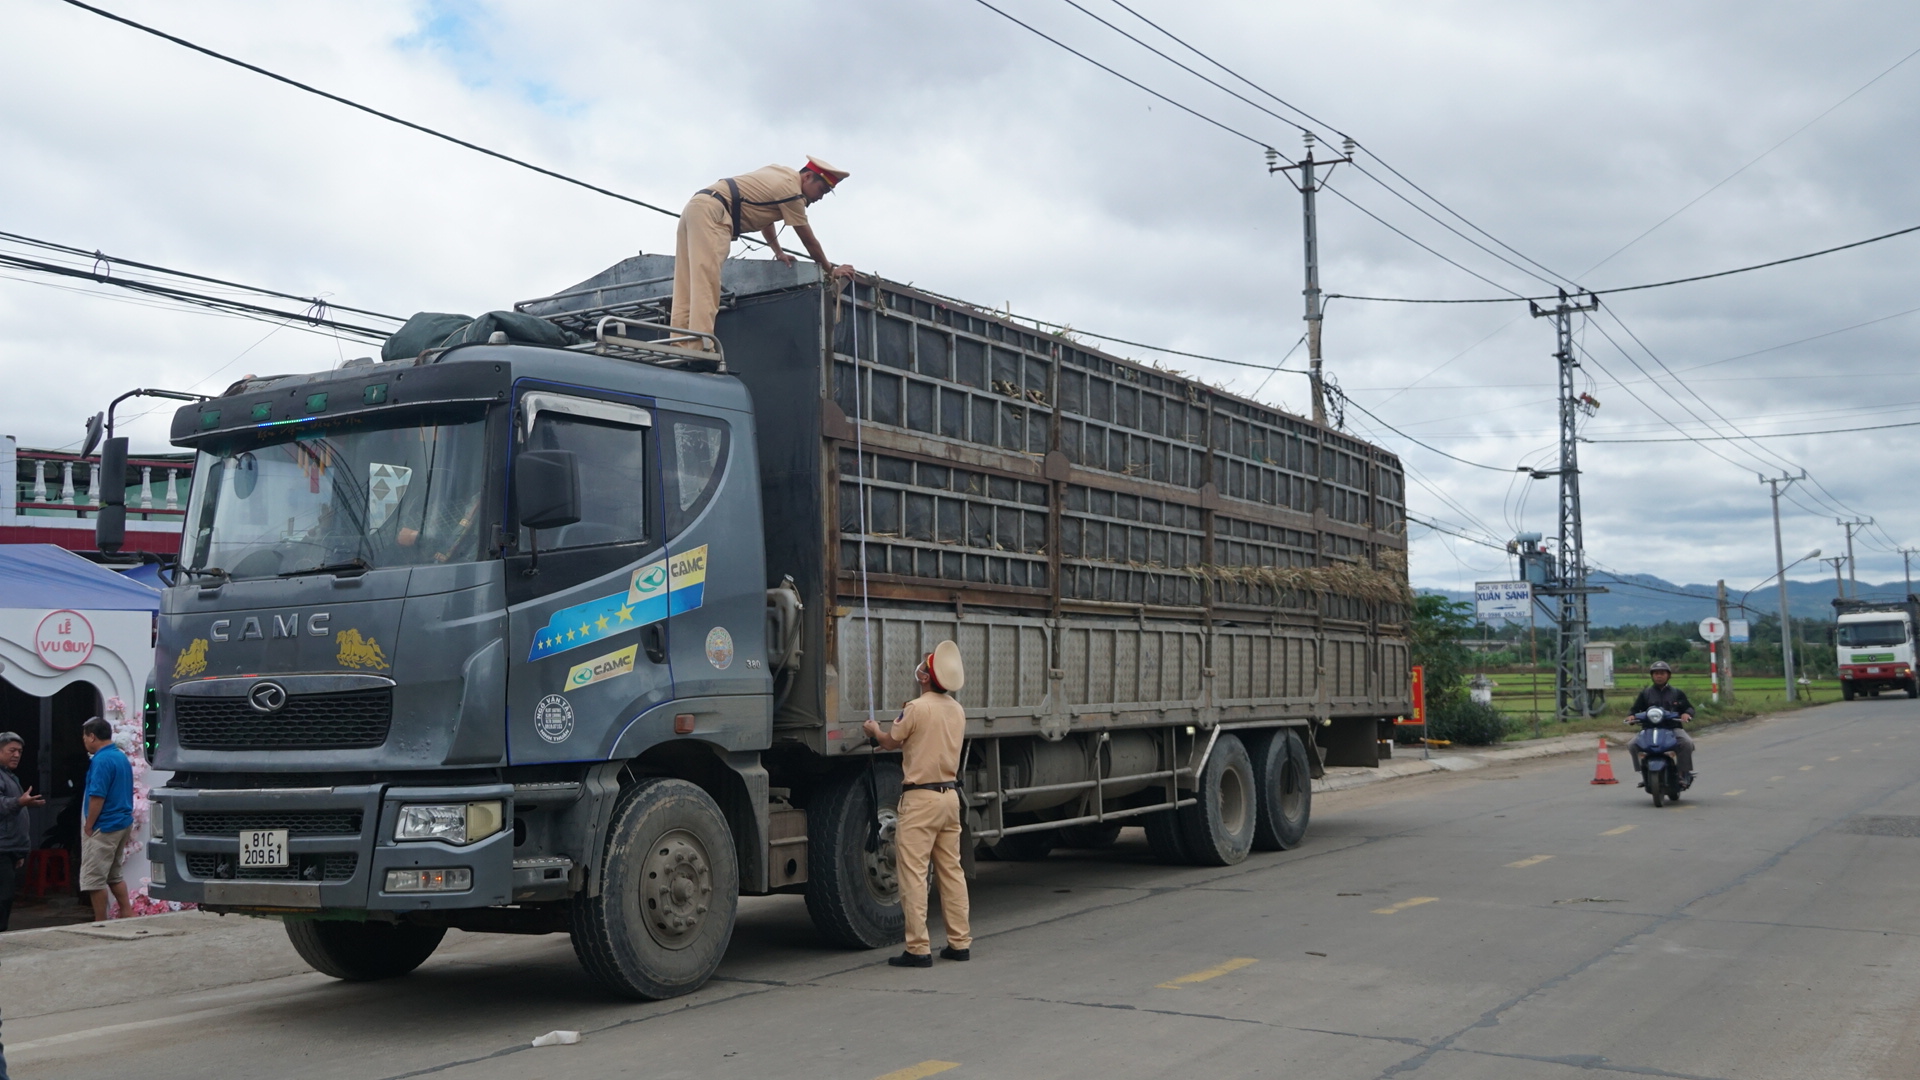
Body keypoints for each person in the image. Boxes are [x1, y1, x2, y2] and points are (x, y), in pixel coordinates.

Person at [863, 640, 972, 967]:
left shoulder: (916, 708)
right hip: (950, 798)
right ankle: (959, 942)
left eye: (924, 666)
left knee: (912, 873)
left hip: (920, 799)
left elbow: (889, 741)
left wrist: (873, 729)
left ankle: (918, 948)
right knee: (951, 872)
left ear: (925, 677)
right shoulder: (957, 710)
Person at [670, 157, 856, 346]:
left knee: (686, 281)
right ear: (808, 177)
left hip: (697, 206)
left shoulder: (780, 173)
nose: (820, 197)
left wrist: (778, 251)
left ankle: (678, 344)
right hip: (715, 214)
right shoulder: (793, 193)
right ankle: (699, 347)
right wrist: (830, 270)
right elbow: (809, 240)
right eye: (822, 190)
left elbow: (766, 216)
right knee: (706, 282)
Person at [79, 717, 134, 922]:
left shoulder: (101, 760)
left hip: (105, 824)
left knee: (95, 879)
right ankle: (127, 913)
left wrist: (89, 825)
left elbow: (97, 796)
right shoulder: (120, 756)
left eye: (85, 737)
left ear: (92, 736)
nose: (84, 741)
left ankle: (100, 922)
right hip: (123, 822)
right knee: (114, 874)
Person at [0, 732, 47, 932]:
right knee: (3, 896)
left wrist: (19, 851)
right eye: (12, 750)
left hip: (9, 848)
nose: (17, 755)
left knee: (7, 896)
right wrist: (20, 802)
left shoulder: (9, 776)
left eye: (19, 751)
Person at [1627, 660, 1696, 781]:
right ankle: (1643, 772)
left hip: (1672, 728)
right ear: (1652, 676)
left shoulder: (1677, 693)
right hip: (1649, 729)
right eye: (1656, 673)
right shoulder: (1645, 693)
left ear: (1668, 675)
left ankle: (1682, 773)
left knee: (1687, 743)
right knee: (1632, 744)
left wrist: (1686, 714)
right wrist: (1632, 716)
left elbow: (1689, 707)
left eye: (1662, 673)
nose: (1659, 676)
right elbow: (1635, 709)